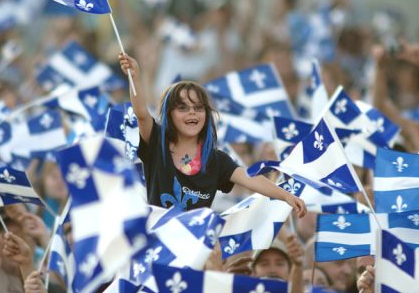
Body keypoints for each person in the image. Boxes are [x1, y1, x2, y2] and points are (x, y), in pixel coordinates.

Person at [118, 53, 306, 216]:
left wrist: (286, 196)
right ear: (169, 114)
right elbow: (142, 114)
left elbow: (250, 178)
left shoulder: (216, 160)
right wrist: (135, 77)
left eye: (198, 108)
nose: (192, 112)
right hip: (160, 244)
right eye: (183, 108)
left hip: (196, 247)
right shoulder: (157, 143)